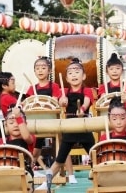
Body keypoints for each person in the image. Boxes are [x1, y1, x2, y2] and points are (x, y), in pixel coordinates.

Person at [36, 58, 95, 191]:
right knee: (59, 159)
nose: (74, 75)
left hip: (84, 126)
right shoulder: (65, 92)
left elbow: (86, 102)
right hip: (69, 127)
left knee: (95, 156)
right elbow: (60, 104)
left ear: (84, 75)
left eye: (77, 71)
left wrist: (82, 109)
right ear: (67, 78)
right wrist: (61, 102)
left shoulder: (87, 90)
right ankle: (46, 183)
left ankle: (104, 180)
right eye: (70, 73)